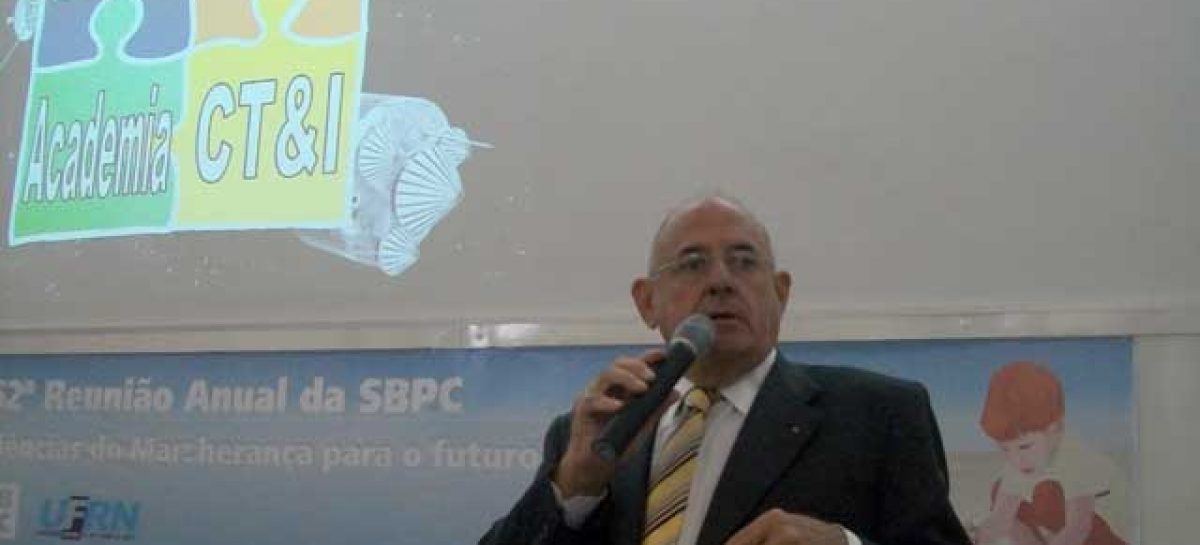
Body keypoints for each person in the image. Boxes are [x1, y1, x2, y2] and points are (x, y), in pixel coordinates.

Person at [479, 195, 970, 545]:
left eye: (744, 262)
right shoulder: (599, 433)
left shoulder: (879, 415)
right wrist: (574, 486)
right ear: (646, 302)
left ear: (781, 292)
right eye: (692, 264)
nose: (720, 281)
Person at [972, 361, 1127, 545]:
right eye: (1005, 449)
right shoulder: (1020, 461)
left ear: (1055, 429)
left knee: (1047, 494)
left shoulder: (1076, 457)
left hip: (1110, 536)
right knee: (1001, 491)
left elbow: (1078, 528)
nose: (1015, 458)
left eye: (1024, 447)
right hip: (1067, 531)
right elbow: (1000, 520)